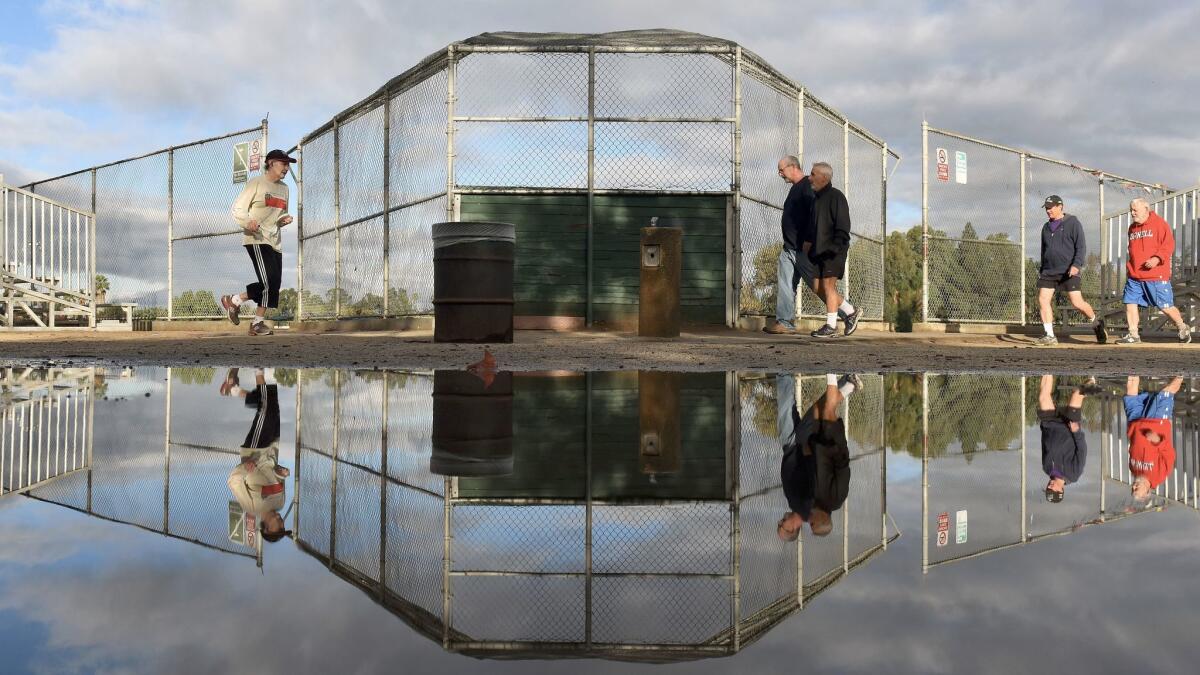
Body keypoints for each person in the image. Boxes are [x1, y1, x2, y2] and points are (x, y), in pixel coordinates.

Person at [766, 157, 859, 336]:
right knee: (785, 284)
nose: (779, 174)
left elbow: (818, 218)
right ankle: (784, 322)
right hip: (789, 248)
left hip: (805, 249)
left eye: (781, 170)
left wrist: (813, 242)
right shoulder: (797, 188)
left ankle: (848, 313)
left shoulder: (810, 188)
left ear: (793, 167)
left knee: (822, 288)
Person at [221, 149, 296, 336]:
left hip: (274, 240)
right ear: (271, 163)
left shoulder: (285, 189)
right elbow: (238, 209)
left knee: (273, 284)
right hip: (256, 238)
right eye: (283, 163)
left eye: (288, 164)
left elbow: (279, 215)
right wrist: (248, 222)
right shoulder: (256, 183)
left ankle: (238, 304)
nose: (286, 168)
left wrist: (283, 220)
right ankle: (251, 317)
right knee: (268, 281)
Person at [777, 373, 857, 541]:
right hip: (807, 446)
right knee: (823, 411)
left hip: (799, 447)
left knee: (818, 410)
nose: (780, 521)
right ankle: (835, 376)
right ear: (792, 529)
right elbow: (839, 471)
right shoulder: (812, 504)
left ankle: (847, 384)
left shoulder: (806, 506)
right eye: (782, 525)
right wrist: (822, 450)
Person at [223, 367, 291, 543]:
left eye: (279, 528)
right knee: (271, 405)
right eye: (284, 527)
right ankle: (233, 390)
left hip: (255, 450)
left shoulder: (251, 507)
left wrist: (245, 468)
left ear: (267, 527)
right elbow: (276, 475)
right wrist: (282, 472)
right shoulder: (280, 504)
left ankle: (258, 368)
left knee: (266, 408)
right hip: (272, 448)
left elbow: (233, 481)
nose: (282, 523)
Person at [1115, 198, 1191, 344]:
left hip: (1156, 275)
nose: (1132, 213)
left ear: (1146, 209)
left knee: (1165, 307)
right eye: (1131, 210)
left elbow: (1168, 245)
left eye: (1135, 210)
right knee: (1130, 302)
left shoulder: (1159, 224)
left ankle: (1182, 327)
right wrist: (1131, 267)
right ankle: (1133, 334)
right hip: (1135, 276)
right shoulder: (1132, 228)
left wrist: (1157, 258)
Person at [1033, 195, 1106, 346]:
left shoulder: (1073, 223)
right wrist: (1042, 269)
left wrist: (1076, 265)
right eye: (1046, 207)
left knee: (1077, 303)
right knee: (1043, 299)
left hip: (1069, 270)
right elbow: (1043, 250)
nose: (1048, 210)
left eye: (1051, 207)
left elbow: (1081, 247)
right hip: (1049, 271)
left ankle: (1096, 323)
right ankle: (1050, 335)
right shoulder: (1045, 228)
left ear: (1061, 207)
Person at [807, 163, 854, 338]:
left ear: (824, 177)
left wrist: (836, 247)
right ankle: (850, 311)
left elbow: (843, 225)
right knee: (817, 287)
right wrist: (809, 243)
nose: (809, 178)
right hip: (819, 251)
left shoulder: (836, 196)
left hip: (834, 249)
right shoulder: (816, 199)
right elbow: (814, 227)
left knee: (828, 286)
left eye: (813, 174)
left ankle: (831, 326)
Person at [1039, 375, 1098, 503]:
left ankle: (1046, 363)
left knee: (1043, 396)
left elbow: (1045, 444)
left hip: (1050, 424)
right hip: (1069, 426)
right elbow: (1082, 450)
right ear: (1061, 491)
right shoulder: (1073, 474)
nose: (1049, 486)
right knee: (1077, 394)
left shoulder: (1046, 468)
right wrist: (1076, 431)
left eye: (1047, 489)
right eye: (1052, 490)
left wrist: (1044, 426)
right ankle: (1091, 380)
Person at [1124, 375, 1181, 502]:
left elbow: (1132, 448)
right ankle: (1183, 370)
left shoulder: (1133, 470)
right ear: (1147, 491)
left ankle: (1132, 362)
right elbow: (1170, 455)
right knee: (1167, 392)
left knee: (1130, 393)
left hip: (1135, 422)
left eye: (1132, 489)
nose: (1134, 486)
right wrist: (1157, 440)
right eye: (1136, 490)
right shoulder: (1159, 476)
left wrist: (1131, 432)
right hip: (1156, 423)